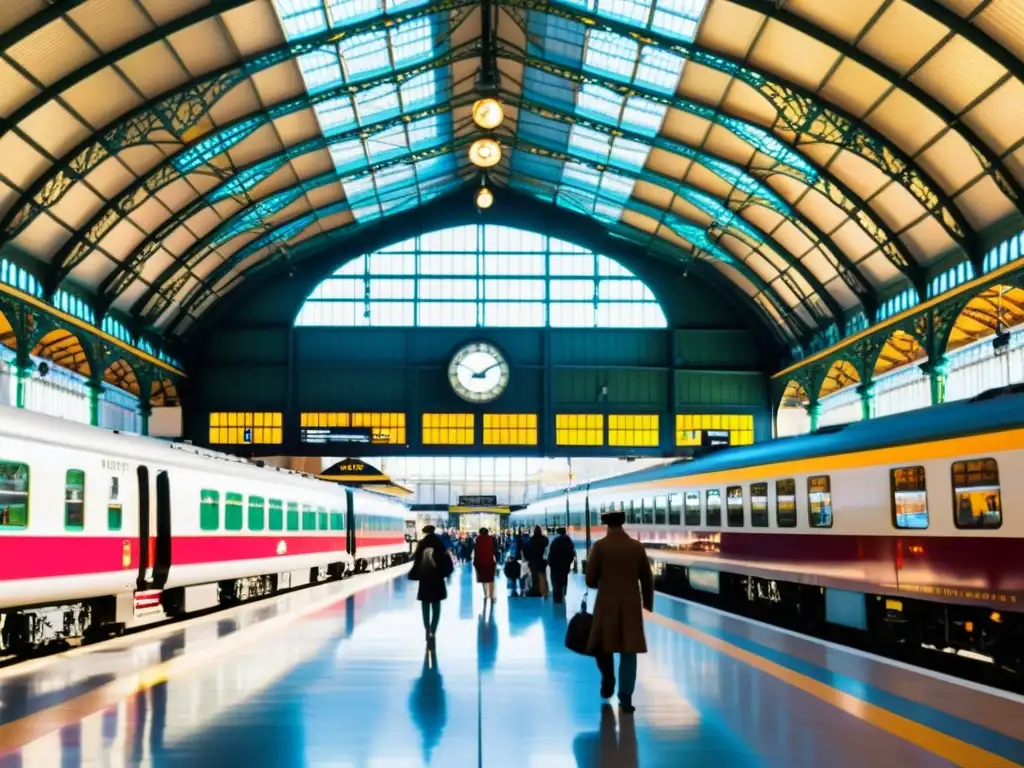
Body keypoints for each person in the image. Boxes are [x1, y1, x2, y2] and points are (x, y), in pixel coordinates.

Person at [585, 508, 654, 713]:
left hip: (606, 603)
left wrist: (605, 584)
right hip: (631, 604)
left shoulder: (600, 547)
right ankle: (626, 698)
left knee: (603, 645)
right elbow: (647, 578)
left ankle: (608, 680)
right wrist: (647, 604)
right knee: (628, 650)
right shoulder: (636, 547)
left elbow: (590, 580)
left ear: (607, 524)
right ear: (622, 523)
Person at [409, 525, 454, 645]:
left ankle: (427, 629)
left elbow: (417, 561)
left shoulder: (421, 544)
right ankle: (433, 631)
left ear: (425, 532)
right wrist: (444, 573)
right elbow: (446, 561)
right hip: (437, 579)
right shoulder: (440, 542)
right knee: (436, 605)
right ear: (434, 531)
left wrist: (416, 574)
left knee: (425, 605)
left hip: (425, 579)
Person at [547, 527, 576, 604]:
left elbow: (551, 554)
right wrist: (569, 562)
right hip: (565, 565)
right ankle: (564, 595)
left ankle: (557, 598)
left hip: (555, 566)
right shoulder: (568, 541)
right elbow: (572, 553)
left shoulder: (555, 541)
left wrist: (550, 563)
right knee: (564, 580)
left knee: (556, 582)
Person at [474, 527, 498, 602]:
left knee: (484, 580)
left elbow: (476, 551)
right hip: (490, 562)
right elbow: (495, 550)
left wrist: (475, 562)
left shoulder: (478, 539)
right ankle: (492, 595)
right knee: (491, 579)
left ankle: (485, 595)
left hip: (481, 563)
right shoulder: (491, 539)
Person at [525, 525, 550, 598]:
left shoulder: (531, 540)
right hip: (542, 560)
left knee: (534, 576)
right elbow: (547, 548)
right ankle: (544, 592)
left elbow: (527, 550)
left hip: (533, 561)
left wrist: (528, 559)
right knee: (542, 576)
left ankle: (536, 591)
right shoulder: (544, 539)